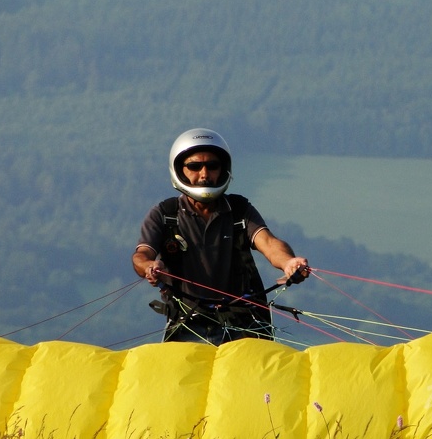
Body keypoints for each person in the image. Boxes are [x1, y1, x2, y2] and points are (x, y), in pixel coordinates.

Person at [132, 128, 309, 345]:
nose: (204, 174)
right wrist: (149, 266)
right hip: (188, 325)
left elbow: (269, 243)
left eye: (212, 166)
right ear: (180, 170)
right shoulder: (166, 215)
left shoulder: (238, 210)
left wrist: (289, 263)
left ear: (223, 169)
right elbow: (142, 254)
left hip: (244, 327)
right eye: (195, 166)